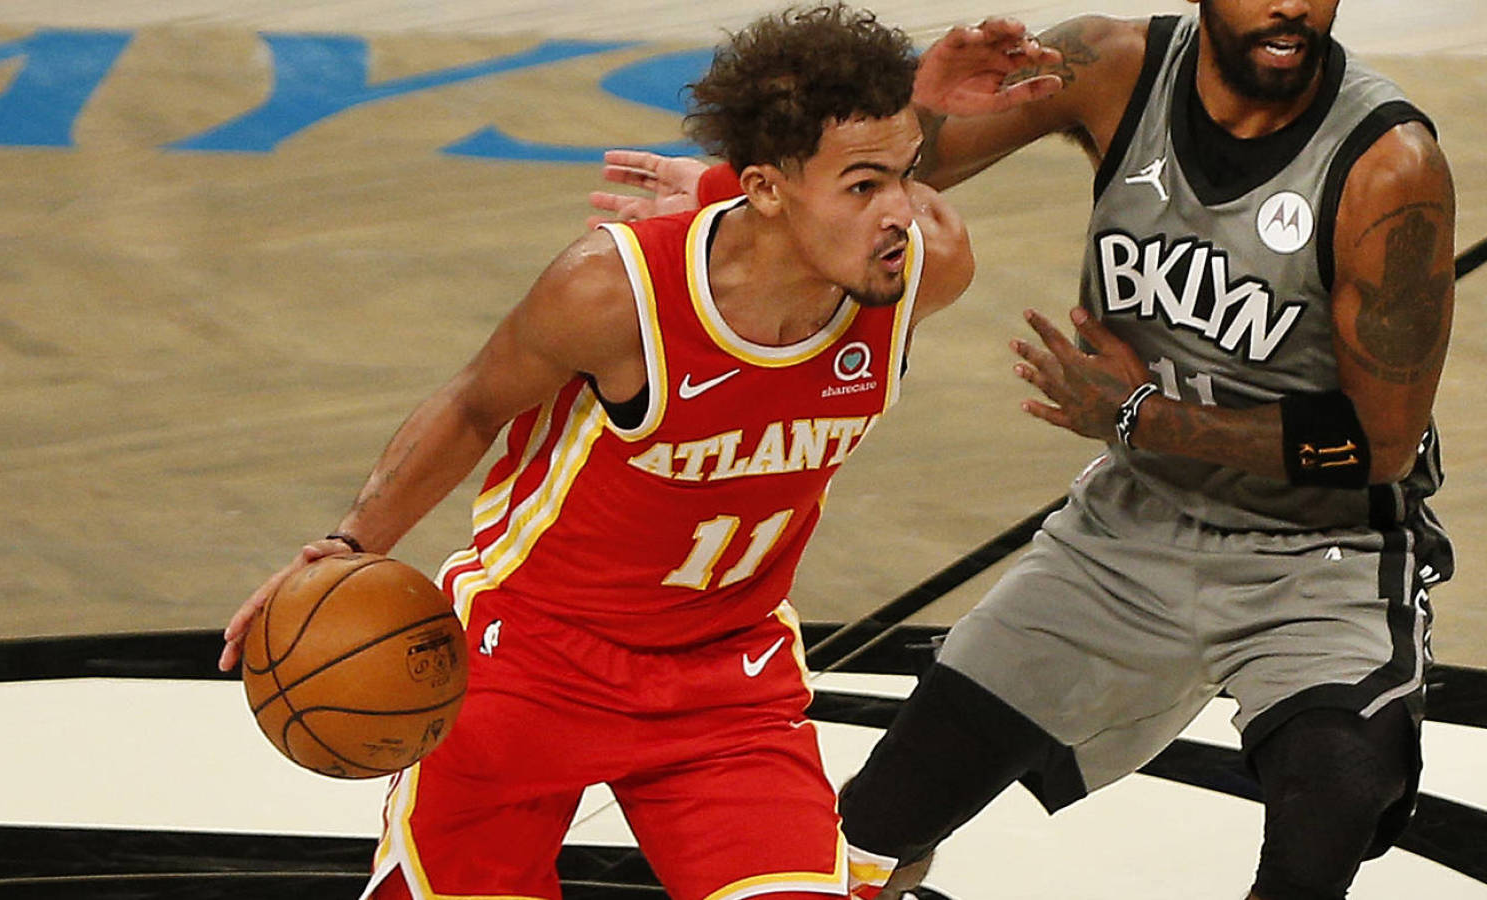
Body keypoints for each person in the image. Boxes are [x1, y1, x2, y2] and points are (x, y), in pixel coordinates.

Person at [596, 2, 1456, 899]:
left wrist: (1144, 418)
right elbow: (892, 172)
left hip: (1318, 558)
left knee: (1332, 811)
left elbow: (1382, 444)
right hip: (1129, 531)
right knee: (868, 834)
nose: (1290, 5)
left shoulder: (1389, 165)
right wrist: (751, 183)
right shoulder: (1112, 64)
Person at [217, 7, 1057, 899]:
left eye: (907, 177)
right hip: (530, 662)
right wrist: (350, 546)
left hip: (727, 683)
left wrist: (916, 111)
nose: (899, 214)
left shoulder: (925, 269)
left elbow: (881, 180)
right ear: (767, 190)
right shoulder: (614, 293)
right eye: (863, 188)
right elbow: (471, 408)